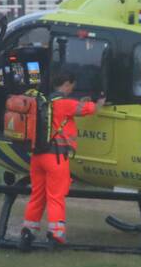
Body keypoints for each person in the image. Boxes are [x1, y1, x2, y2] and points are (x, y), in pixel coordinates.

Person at [20, 71, 105, 247]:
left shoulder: (42, 103)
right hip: (56, 158)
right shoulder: (65, 104)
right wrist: (101, 101)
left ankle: (28, 232)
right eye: (72, 86)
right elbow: (91, 109)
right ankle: (56, 235)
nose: (72, 89)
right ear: (66, 84)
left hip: (37, 157)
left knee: (37, 195)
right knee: (56, 196)